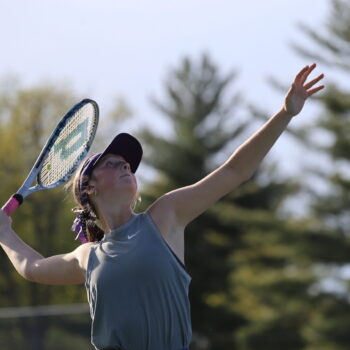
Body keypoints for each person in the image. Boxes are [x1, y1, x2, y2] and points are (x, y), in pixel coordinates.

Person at [0, 64, 324, 350]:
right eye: (114, 163)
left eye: (128, 165)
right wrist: (4, 233)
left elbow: (235, 171)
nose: (126, 166)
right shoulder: (88, 257)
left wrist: (285, 113)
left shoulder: (166, 215)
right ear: (90, 187)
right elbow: (33, 268)